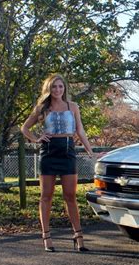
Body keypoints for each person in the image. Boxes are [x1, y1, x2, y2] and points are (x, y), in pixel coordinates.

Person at [21, 74, 95, 252]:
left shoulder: (73, 106)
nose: (57, 90)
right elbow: (24, 128)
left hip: (68, 152)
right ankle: (46, 236)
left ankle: (78, 235)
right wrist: (36, 138)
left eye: (60, 87)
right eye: (54, 87)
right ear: (49, 89)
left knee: (70, 196)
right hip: (48, 152)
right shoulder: (42, 108)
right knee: (46, 196)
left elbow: (80, 130)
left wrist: (90, 151)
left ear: (65, 88)